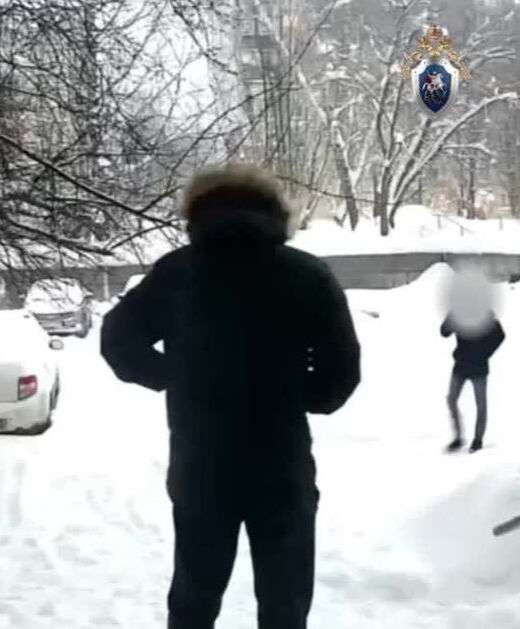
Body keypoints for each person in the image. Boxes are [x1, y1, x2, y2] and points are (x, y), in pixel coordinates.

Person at [101, 164, 360, 629]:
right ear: (276, 214)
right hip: (282, 470)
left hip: (201, 468)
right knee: (285, 604)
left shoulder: (177, 273)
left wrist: (176, 376)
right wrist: (293, 390)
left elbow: (118, 340)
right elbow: (339, 378)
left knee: (194, 599)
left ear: (198, 212)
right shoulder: (306, 276)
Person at [441, 311, 504, 453]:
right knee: (451, 399)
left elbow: (500, 335)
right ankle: (458, 437)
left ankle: (478, 439)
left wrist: (485, 353)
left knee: (480, 404)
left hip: (479, 367)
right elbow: (444, 332)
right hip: (461, 365)